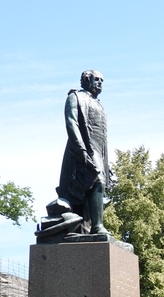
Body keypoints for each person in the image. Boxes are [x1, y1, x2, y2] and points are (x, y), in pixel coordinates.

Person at [56, 70, 110, 236]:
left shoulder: (99, 104)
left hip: (98, 152)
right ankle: (97, 227)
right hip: (82, 149)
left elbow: (102, 137)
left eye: (102, 80)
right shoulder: (76, 97)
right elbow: (71, 123)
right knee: (97, 181)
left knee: (97, 186)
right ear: (87, 80)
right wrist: (80, 149)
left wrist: (106, 163)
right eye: (96, 79)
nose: (100, 83)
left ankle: (86, 227)